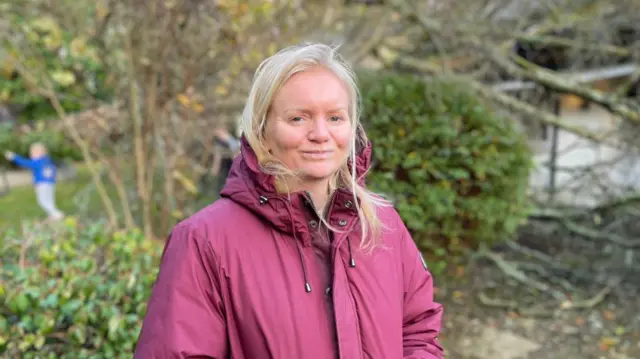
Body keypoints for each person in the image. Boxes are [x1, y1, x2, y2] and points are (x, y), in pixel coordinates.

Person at [134, 43, 444, 358]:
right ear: (262, 130)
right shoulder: (204, 242)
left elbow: (419, 332)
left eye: (335, 118)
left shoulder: (383, 226)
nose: (321, 134)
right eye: (298, 119)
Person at [4, 143, 64, 221]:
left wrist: (14, 157)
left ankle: (57, 214)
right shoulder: (48, 160)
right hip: (51, 184)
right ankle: (52, 215)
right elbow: (53, 170)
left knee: (42, 201)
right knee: (50, 201)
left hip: (42, 184)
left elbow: (25, 163)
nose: (31, 156)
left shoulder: (37, 162)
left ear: (39, 153)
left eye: (32, 153)